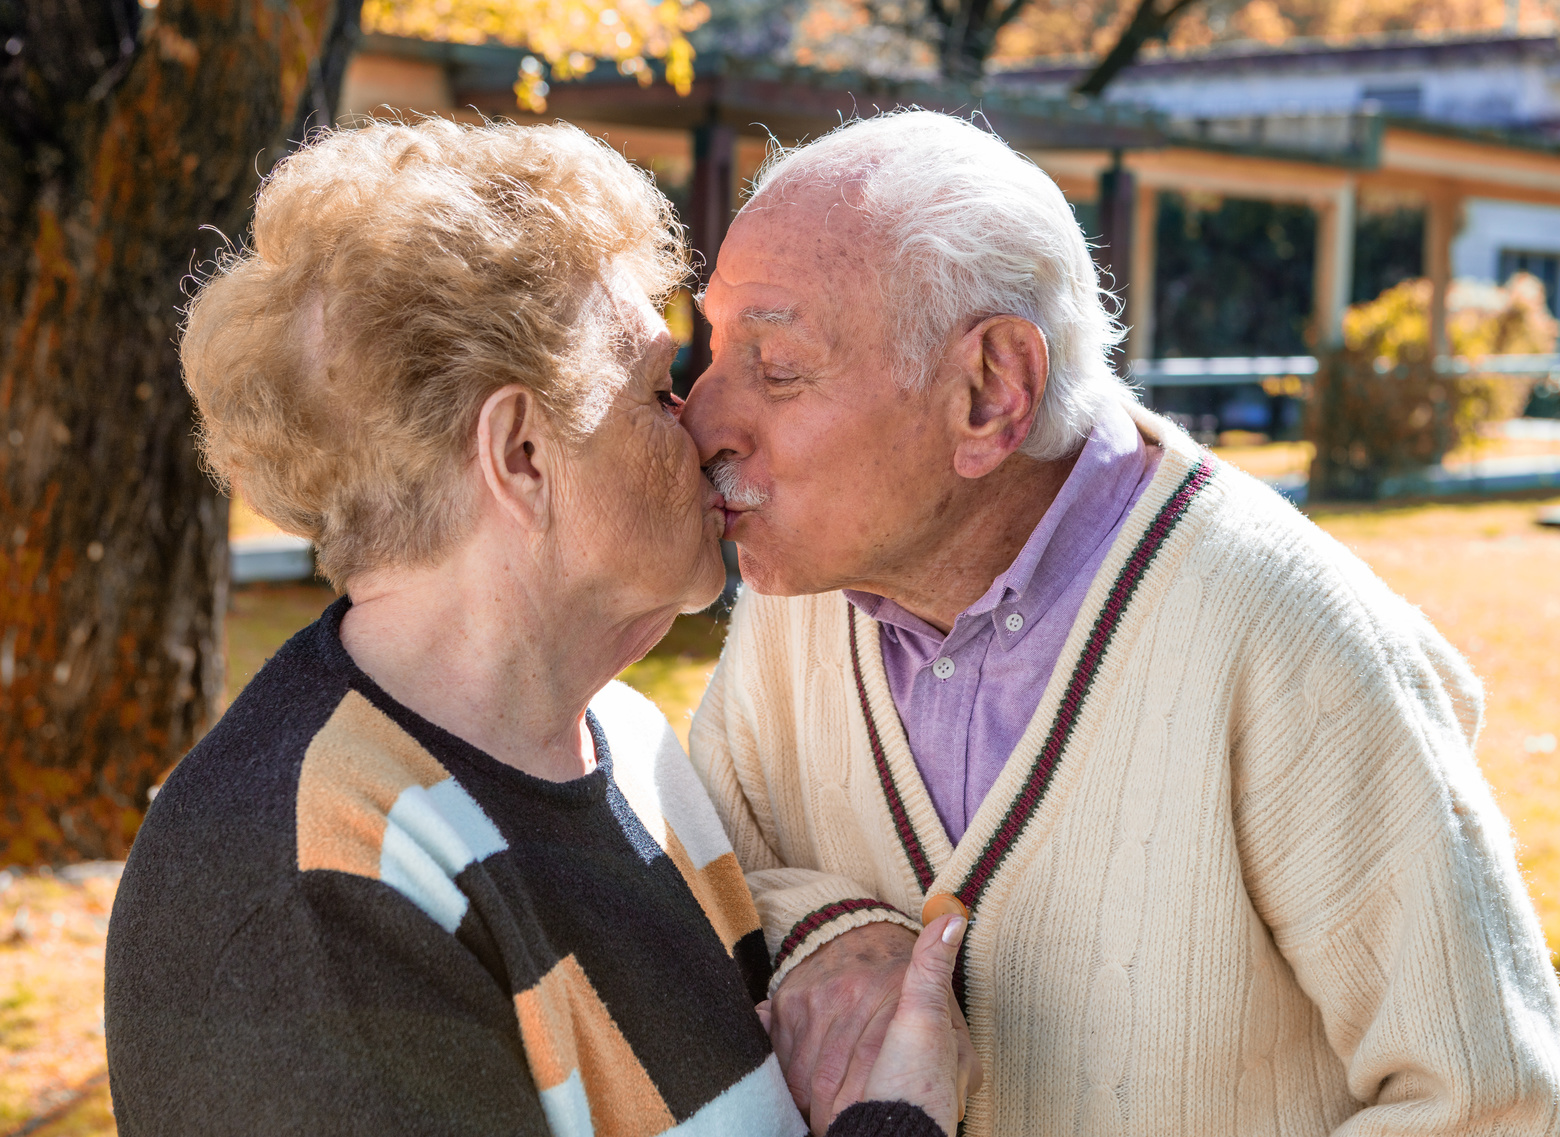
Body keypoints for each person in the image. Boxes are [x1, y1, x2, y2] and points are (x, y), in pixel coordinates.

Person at [680, 110, 1560, 1136]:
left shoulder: (1291, 638)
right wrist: (832, 933)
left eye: (777, 369)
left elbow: (1497, 1109)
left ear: (989, 392)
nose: (702, 418)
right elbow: (696, 884)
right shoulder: (793, 606)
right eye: (713, 352)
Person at [104, 119, 976, 1137]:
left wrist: (834, 937)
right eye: (655, 390)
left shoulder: (634, 750)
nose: (700, 424)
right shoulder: (306, 892)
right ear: (520, 454)